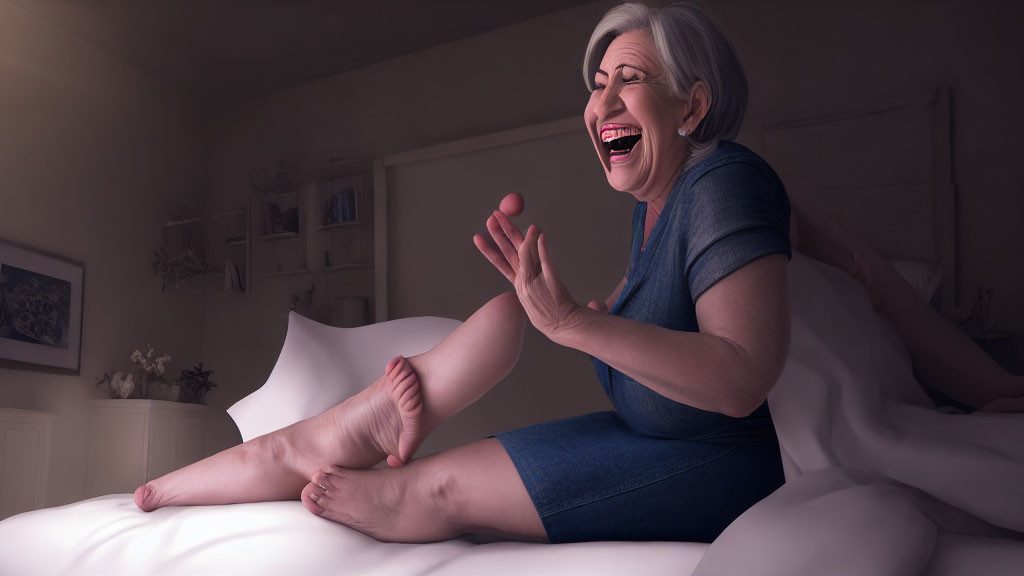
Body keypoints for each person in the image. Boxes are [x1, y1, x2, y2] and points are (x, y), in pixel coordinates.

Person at [133, 0, 1022, 544]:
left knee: (428, 489)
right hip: (658, 437)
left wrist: (577, 324)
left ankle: (339, 438)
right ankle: (325, 433)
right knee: (488, 333)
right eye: (596, 85)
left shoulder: (725, 178)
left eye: (627, 80)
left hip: (730, 460)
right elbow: (866, 271)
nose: (599, 104)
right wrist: (990, 386)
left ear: (694, 103)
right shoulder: (663, 209)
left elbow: (744, 378)